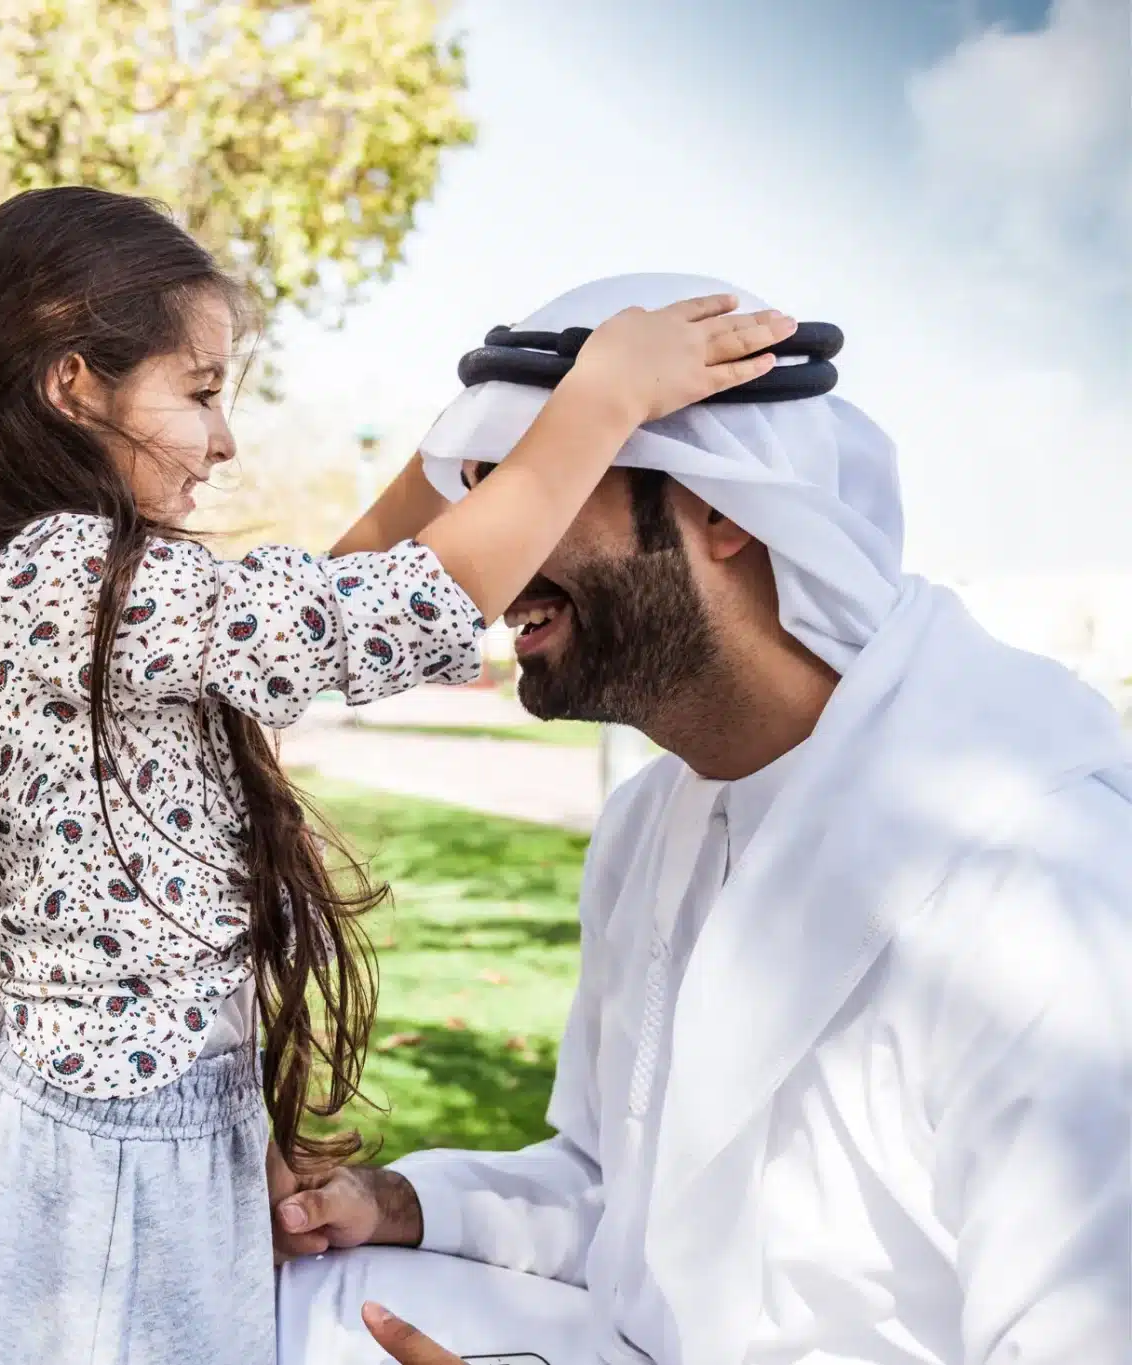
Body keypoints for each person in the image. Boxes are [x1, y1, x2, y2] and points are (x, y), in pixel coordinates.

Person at [0, 190, 793, 1365]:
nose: (224, 438)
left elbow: (323, 596)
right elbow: (368, 619)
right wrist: (601, 402)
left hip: (133, 1137)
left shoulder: (70, 577)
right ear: (72, 386)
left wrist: (454, 451)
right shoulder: (61, 573)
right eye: (198, 391)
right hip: (99, 1178)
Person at [274, 274, 1132, 1365]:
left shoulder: (1038, 886)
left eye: (541, 481)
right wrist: (394, 1202)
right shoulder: (651, 825)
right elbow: (626, 1202)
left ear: (722, 510)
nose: (487, 556)